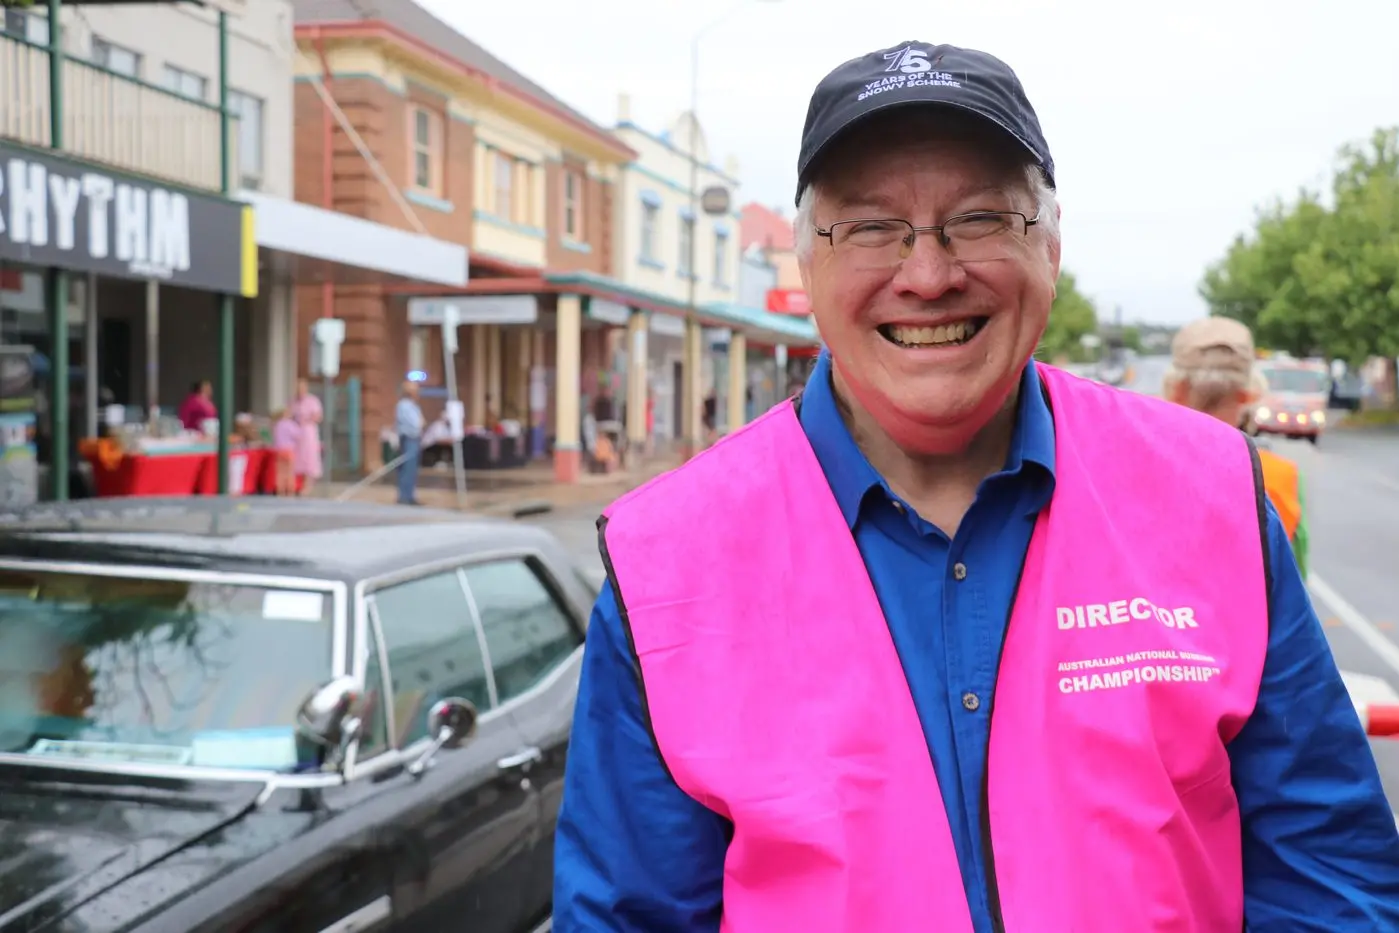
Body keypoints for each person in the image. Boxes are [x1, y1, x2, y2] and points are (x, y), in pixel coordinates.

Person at [553, 40, 1399, 932]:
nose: (927, 274)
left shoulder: (1212, 493)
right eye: (871, 226)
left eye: (980, 219)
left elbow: (1327, 873)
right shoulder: (667, 558)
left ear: (1051, 246)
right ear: (807, 264)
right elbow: (627, 913)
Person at [1166, 318, 1309, 578]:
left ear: (1175, 389)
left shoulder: (1142, 465)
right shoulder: (1277, 476)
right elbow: (1295, 586)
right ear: (1248, 394)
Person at [290, 378, 324, 495]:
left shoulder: (312, 400)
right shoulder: (294, 401)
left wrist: (307, 420)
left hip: (308, 431)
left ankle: (308, 485)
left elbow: (318, 416)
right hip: (296, 432)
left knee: (309, 457)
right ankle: (299, 484)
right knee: (298, 458)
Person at [395, 380, 423, 506]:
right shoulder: (404, 405)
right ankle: (404, 496)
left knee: (411, 469)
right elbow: (415, 423)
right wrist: (421, 423)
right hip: (409, 438)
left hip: (414, 438)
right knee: (407, 468)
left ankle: (409, 495)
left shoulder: (412, 405)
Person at [270, 406, 300, 496]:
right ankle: (290, 491)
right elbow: (298, 435)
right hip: (289, 449)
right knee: (290, 472)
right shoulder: (290, 424)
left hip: (279, 450)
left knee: (280, 472)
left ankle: (280, 491)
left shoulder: (277, 425)